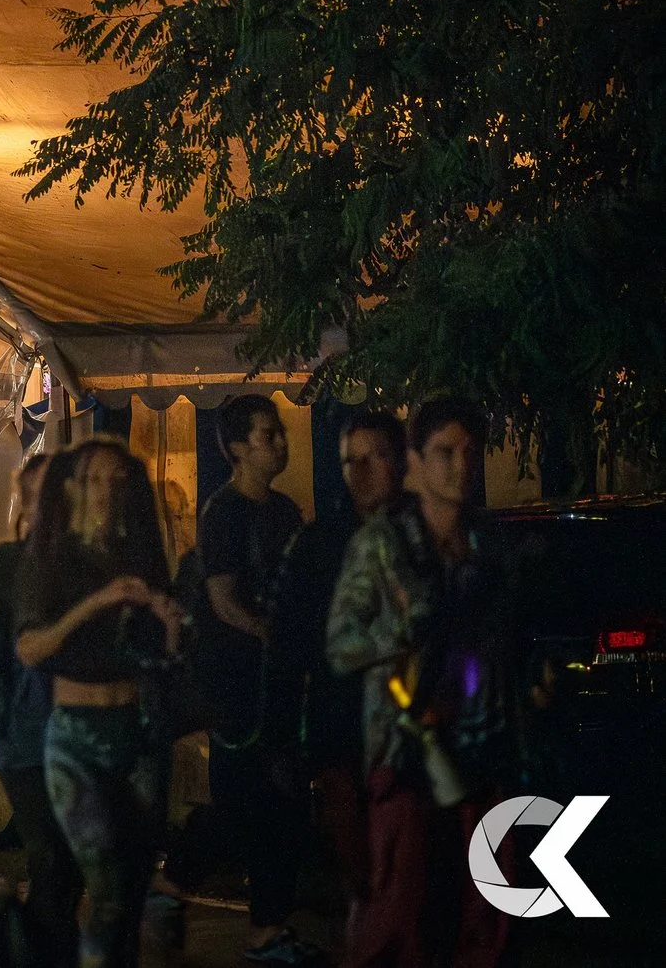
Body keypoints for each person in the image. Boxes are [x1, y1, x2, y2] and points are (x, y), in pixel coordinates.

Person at [327, 400, 517, 968]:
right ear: (415, 460)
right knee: (402, 921)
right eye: (444, 452)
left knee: (487, 918)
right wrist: (403, 631)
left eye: (470, 453)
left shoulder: (488, 546)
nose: (461, 466)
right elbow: (341, 645)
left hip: (482, 752)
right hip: (409, 753)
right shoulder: (384, 545)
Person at [15, 439, 188, 968]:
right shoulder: (52, 559)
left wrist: (170, 623)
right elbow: (30, 648)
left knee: (133, 885)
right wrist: (97, 603)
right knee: (106, 883)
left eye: (118, 481)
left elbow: (165, 655)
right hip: (77, 736)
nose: (107, 492)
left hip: (136, 730)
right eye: (94, 480)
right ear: (73, 488)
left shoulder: (141, 556)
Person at [189, 394, 319, 965]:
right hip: (241, 690)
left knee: (286, 806)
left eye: (281, 434)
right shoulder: (223, 513)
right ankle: (178, 877)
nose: (281, 444)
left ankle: (268, 927)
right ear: (238, 447)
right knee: (241, 802)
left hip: (284, 685)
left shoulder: (287, 513)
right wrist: (272, 633)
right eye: (269, 435)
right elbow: (223, 600)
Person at [267, 410, 405, 943]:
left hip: (414, 736)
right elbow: (287, 649)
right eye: (352, 462)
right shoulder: (319, 545)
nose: (363, 473)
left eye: (376, 458)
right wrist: (282, 741)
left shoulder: (425, 535)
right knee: (361, 879)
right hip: (343, 734)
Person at [0, 453, 77, 968]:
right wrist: (1, 723)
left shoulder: (84, 562)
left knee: (71, 864)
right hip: (26, 739)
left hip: (80, 733)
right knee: (52, 857)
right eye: (40, 494)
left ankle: (16, 937)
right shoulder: (4, 566)